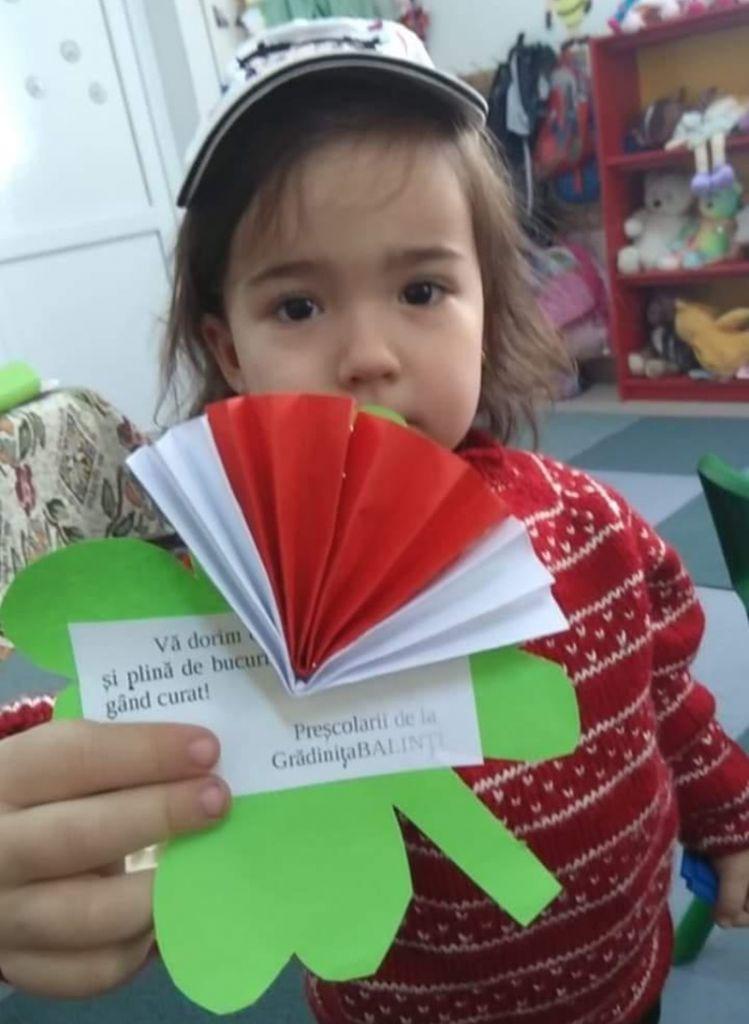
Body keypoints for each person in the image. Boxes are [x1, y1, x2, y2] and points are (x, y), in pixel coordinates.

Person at [1, 17, 748, 1024]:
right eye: (298, 307)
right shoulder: (230, 593)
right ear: (229, 350)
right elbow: (92, 712)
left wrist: (727, 818)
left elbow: (667, 694)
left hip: (623, 982)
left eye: (420, 289)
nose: (367, 355)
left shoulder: (595, 524)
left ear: (486, 305)